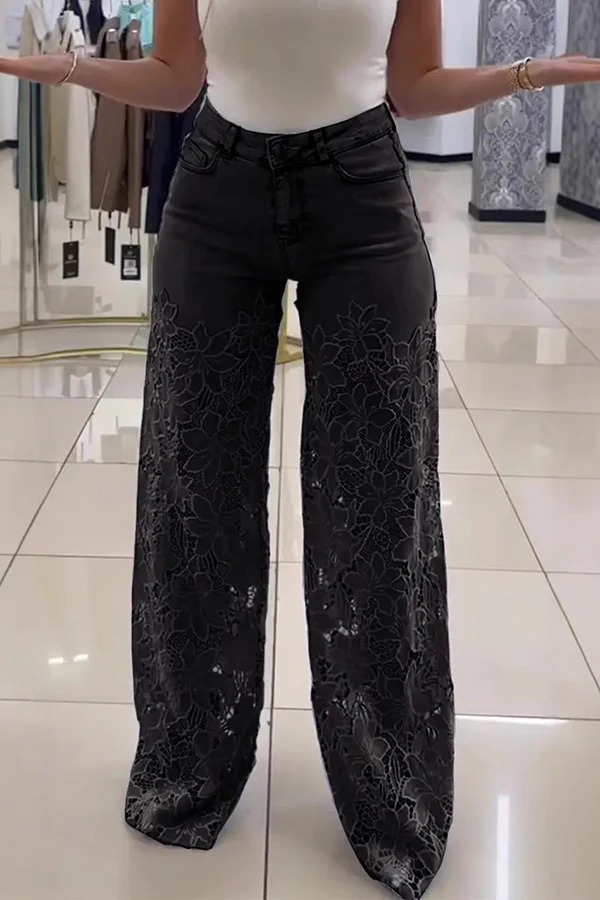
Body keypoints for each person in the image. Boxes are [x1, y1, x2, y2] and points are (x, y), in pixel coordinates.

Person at [3, 2, 600, 897]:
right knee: (195, 493)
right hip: (217, 185)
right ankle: (188, 764)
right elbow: (176, 77)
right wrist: (68, 70)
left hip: (361, 192)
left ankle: (390, 789)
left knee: (378, 502)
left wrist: (528, 75)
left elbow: (413, 89)